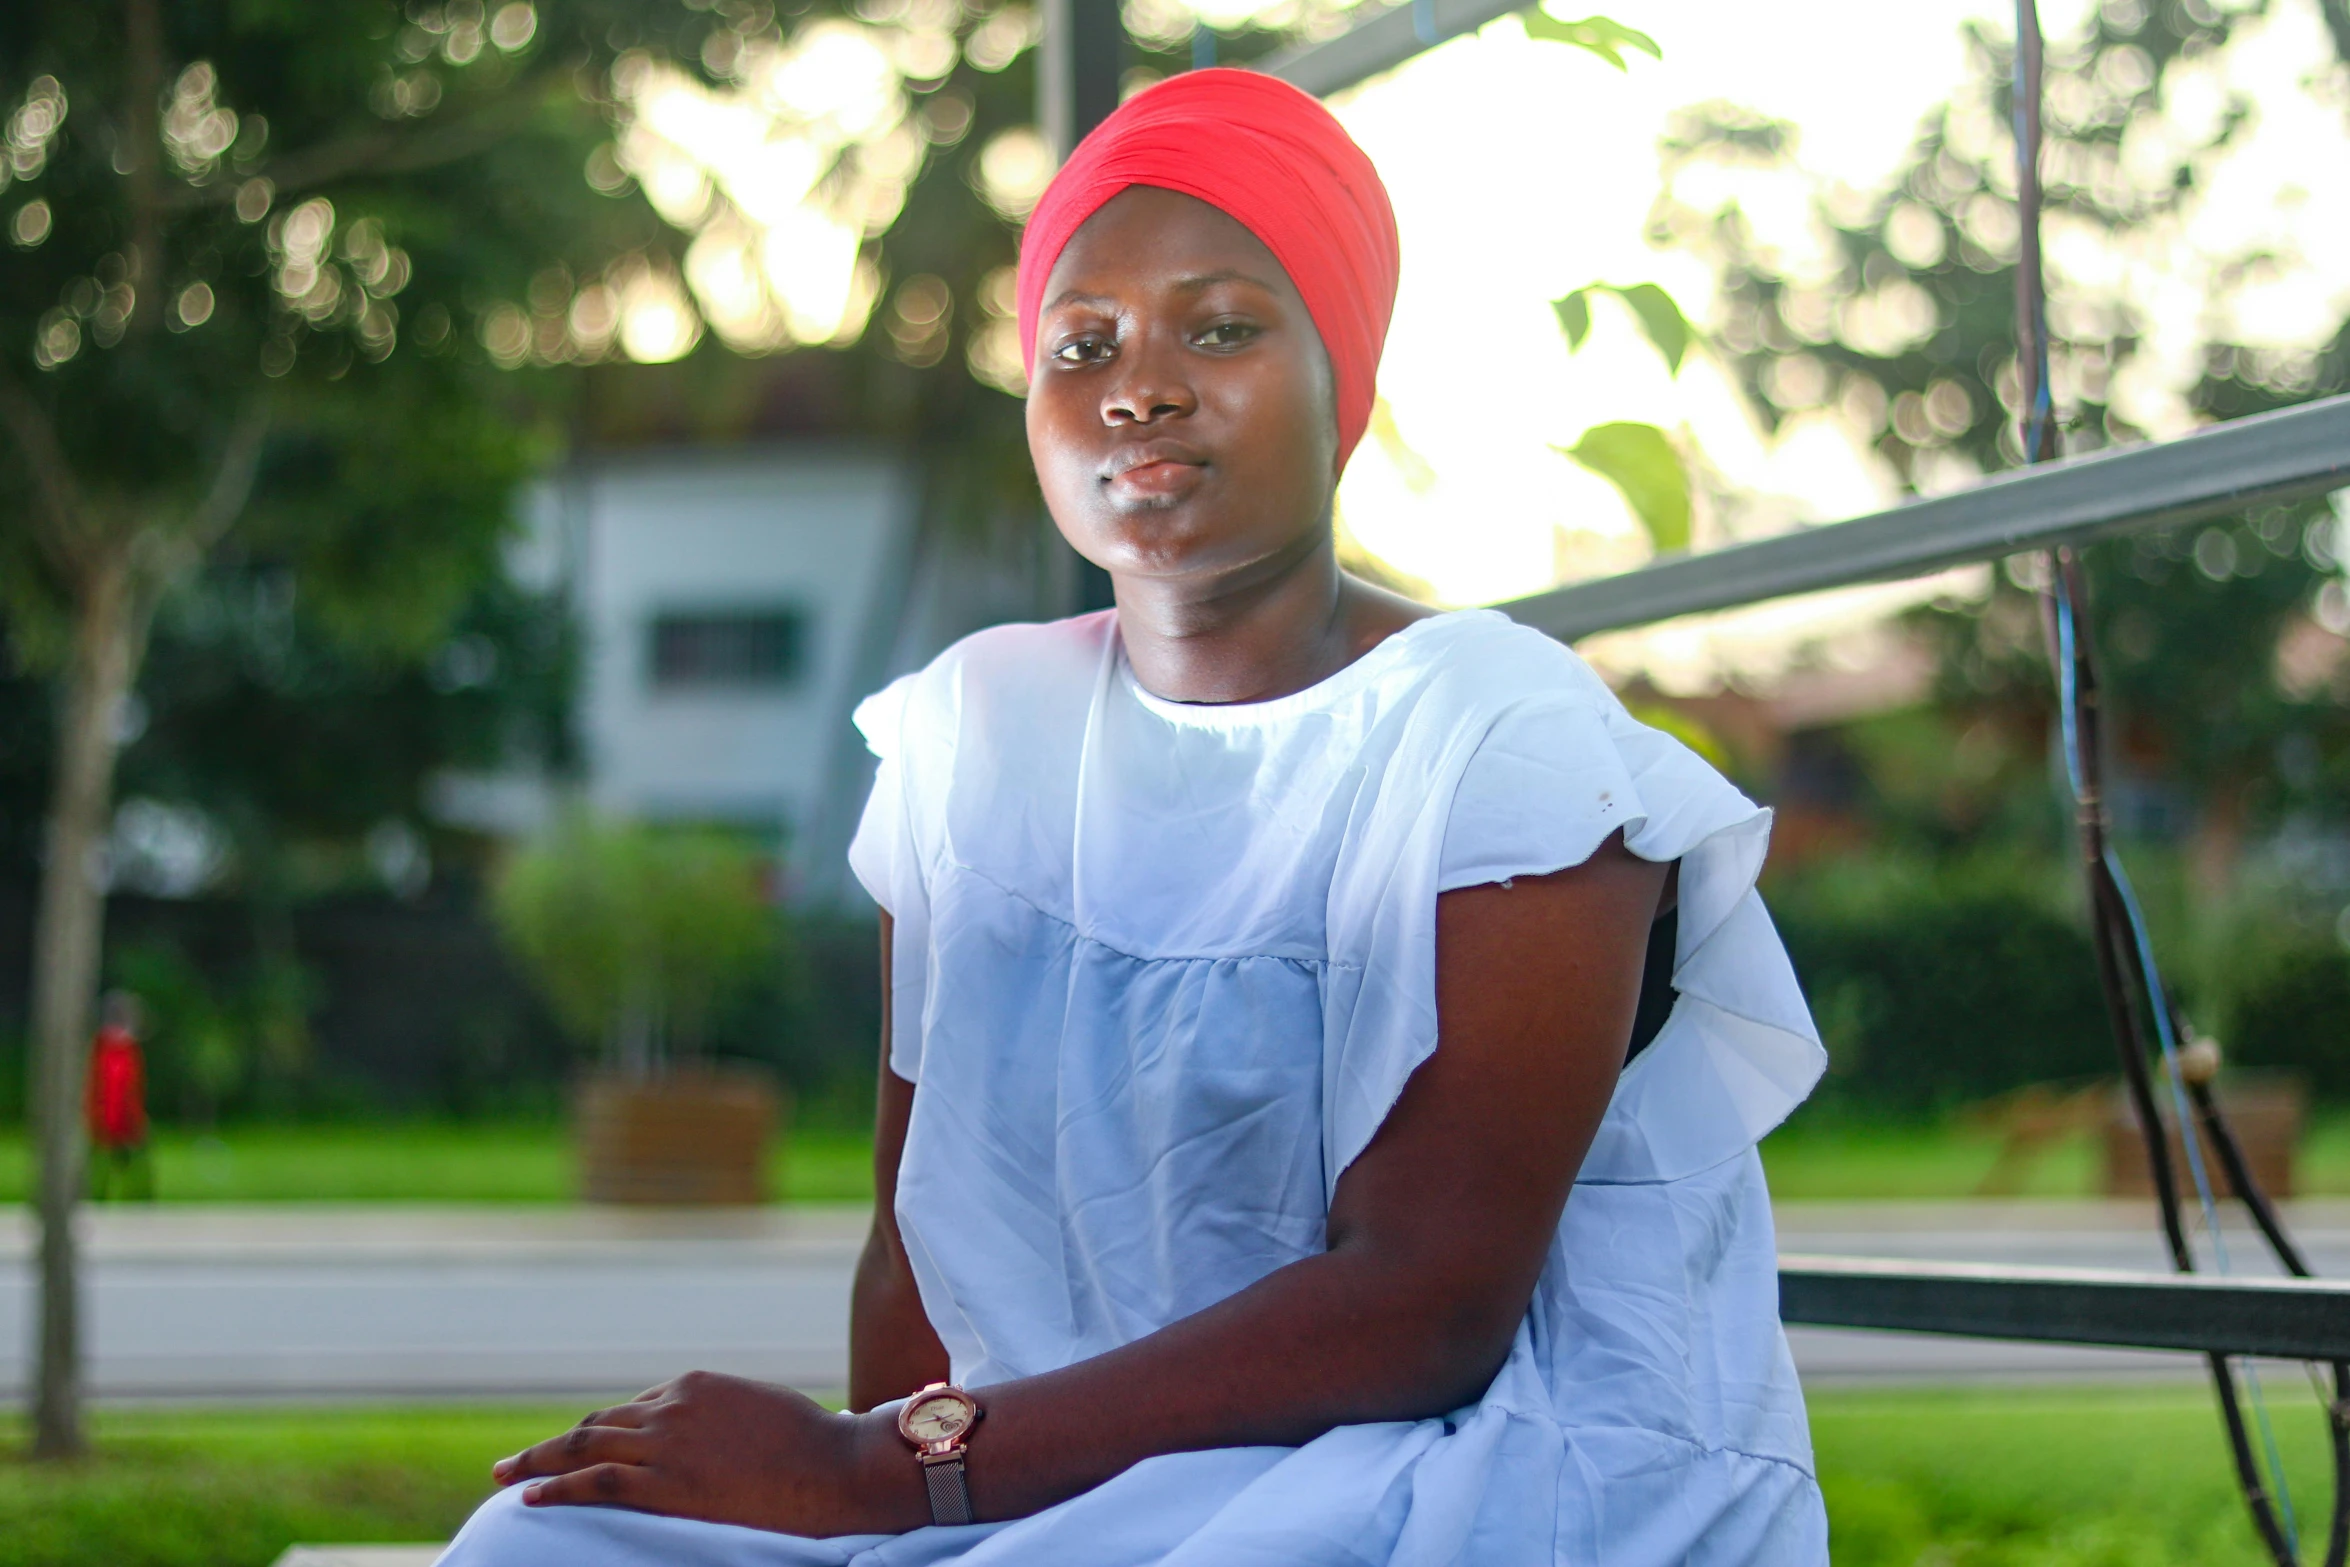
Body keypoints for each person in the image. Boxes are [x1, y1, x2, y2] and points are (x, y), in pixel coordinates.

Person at [443, 66, 1828, 1566]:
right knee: (540, 1540)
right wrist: (869, 1525)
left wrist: (882, 1476)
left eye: (1221, 327)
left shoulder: (1506, 740)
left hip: (1473, 1467)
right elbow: (913, 1239)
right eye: (1078, 343)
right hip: (1080, 1467)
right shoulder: (972, 735)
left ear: (1339, 377)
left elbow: (1427, 1308)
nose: (1137, 384)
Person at [87, 990, 154, 1201]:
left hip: (110, 1117)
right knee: (117, 1163)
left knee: (110, 1163)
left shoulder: (102, 1048)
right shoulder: (120, 1050)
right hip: (117, 1118)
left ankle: (108, 1195)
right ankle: (130, 1197)